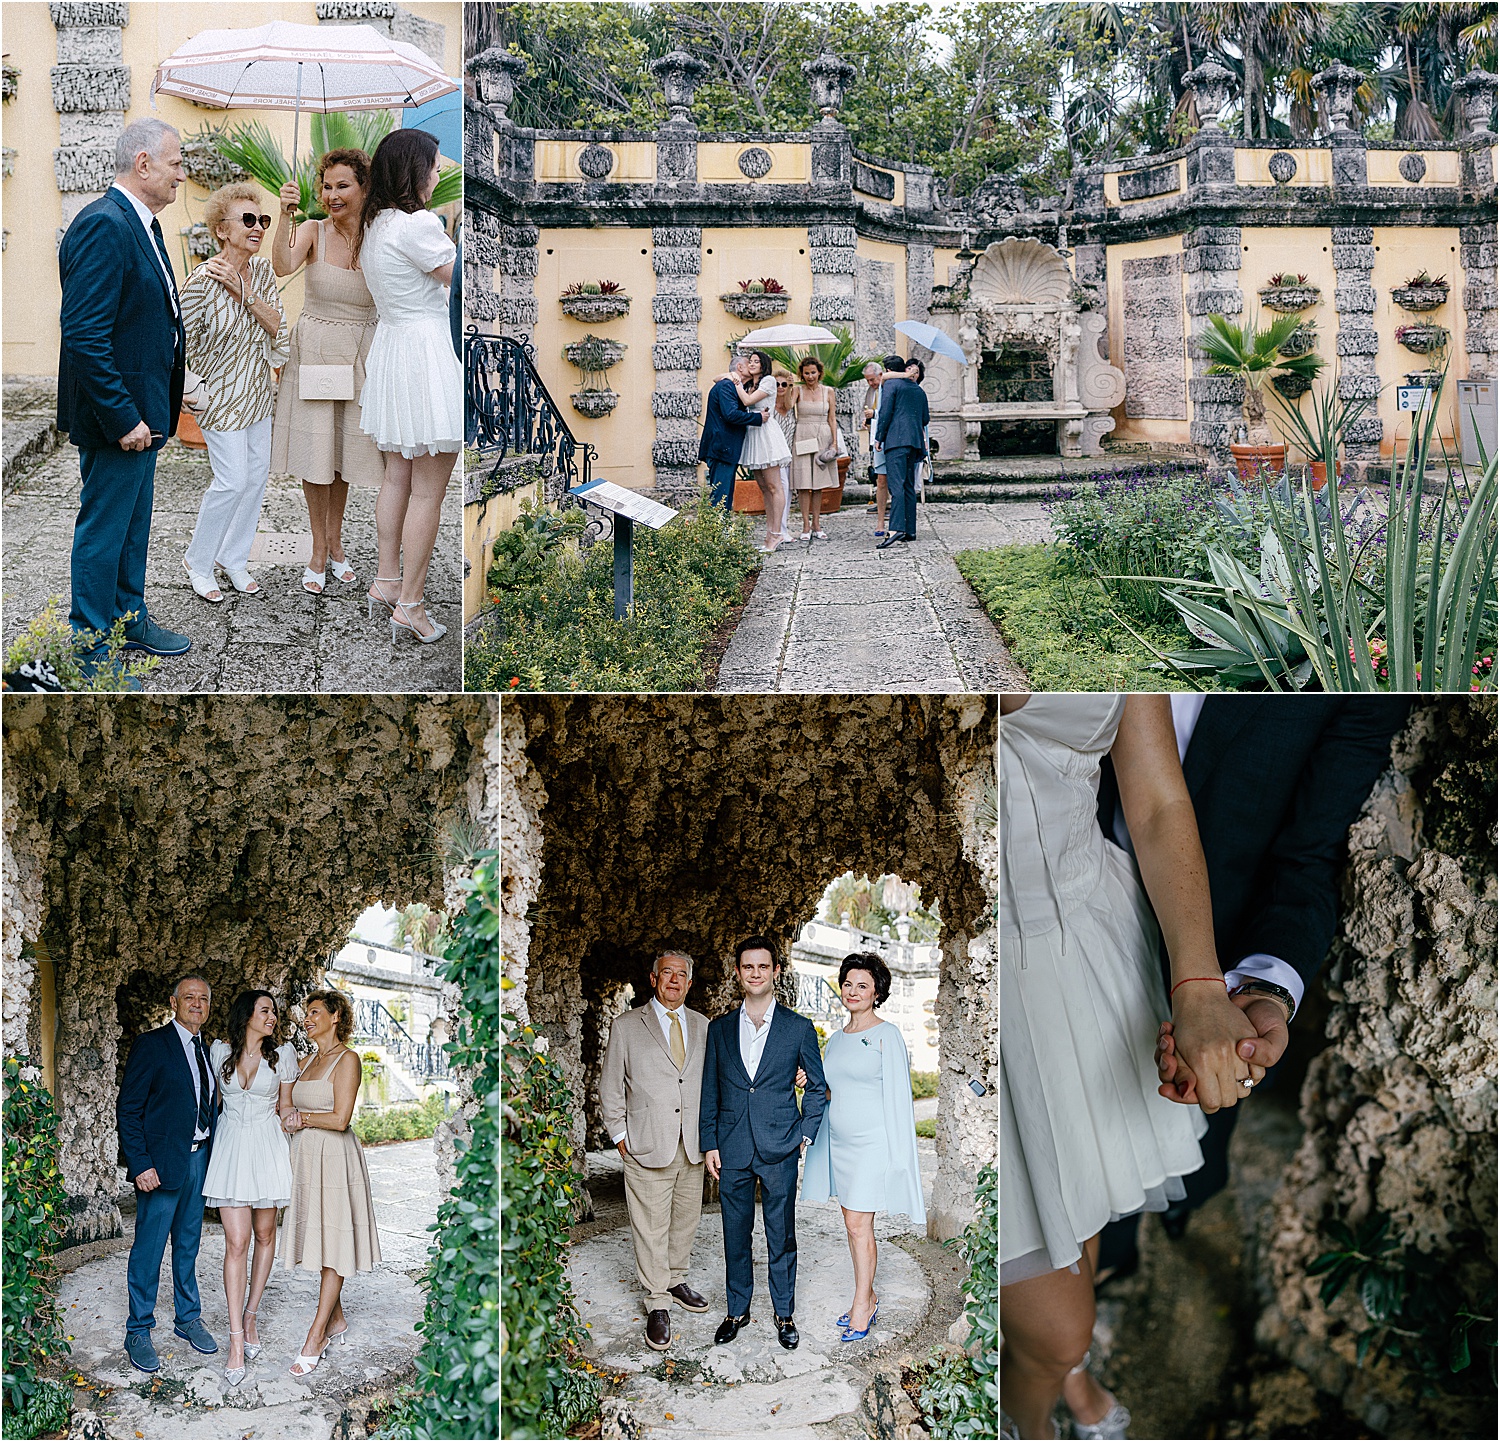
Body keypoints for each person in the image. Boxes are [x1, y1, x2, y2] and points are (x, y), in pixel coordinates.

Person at [1000, 695, 1264, 1440]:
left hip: (1092, 949)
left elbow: (1155, 800)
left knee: (1080, 1223)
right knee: (1058, 1327)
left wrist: (1200, 983)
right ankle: (1027, 1416)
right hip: (998, 982)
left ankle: (1068, 1380)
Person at [1095, 695, 1412, 1286]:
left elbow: (1310, 858)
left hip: (1227, 947)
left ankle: (1174, 1214)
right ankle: (1108, 1260)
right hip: (1069, 919)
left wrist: (1264, 991)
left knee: (1188, 1156)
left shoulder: (1361, 658)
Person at [57, 117, 193, 671]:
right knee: (104, 527)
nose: (182, 175)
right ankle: (90, 643)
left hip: (146, 410)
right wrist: (122, 416)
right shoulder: (104, 225)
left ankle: (127, 618)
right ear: (144, 164)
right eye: (176, 163)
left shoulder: (142, 223)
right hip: (121, 417)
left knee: (134, 525)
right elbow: (84, 334)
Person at [357, 129, 461, 645]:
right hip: (423, 354)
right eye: (434, 165)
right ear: (413, 171)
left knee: (397, 477)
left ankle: (387, 579)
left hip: (394, 350)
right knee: (429, 489)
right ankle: (412, 605)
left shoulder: (375, 225)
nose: (438, 173)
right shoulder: (419, 224)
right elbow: (457, 279)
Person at [700, 936, 827, 1352]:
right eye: (748, 967)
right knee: (734, 1234)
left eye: (763, 967)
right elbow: (709, 1090)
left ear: (776, 971)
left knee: (781, 1233)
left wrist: (805, 1133)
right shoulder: (718, 1030)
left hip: (780, 1147)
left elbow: (818, 1087)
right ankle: (737, 1310)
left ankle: (784, 1311)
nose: (756, 974)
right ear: (738, 973)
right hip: (732, 1147)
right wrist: (708, 1143)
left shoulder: (798, 1028)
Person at [271, 148, 384, 595]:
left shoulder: (380, 234)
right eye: (327, 186)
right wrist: (284, 215)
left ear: (364, 188)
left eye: (343, 185)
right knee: (316, 453)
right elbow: (282, 264)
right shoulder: (312, 229)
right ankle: (318, 549)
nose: (332, 194)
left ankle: (336, 543)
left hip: (363, 353)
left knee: (343, 456)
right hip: (317, 349)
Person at [801, 952, 925, 1343]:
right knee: (852, 1225)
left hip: (872, 1144)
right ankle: (867, 1293)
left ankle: (862, 1304)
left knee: (858, 1225)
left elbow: (898, 1098)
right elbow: (835, 1091)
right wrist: (810, 1084)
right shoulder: (835, 1040)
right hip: (839, 1143)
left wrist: (898, 1157)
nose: (853, 992)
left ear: (876, 993)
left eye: (863, 986)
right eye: (849, 984)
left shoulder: (887, 1035)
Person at [180, 182, 290, 604]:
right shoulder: (202, 280)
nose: (259, 227)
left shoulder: (260, 273)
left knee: (257, 477)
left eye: (262, 220)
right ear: (222, 229)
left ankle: (234, 557)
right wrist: (186, 391)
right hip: (220, 396)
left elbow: (276, 326)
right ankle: (199, 560)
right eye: (248, 220)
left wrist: (244, 294)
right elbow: (179, 343)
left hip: (259, 392)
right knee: (231, 480)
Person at [599, 951, 711, 1351]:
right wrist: (618, 1134)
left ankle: (676, 1278)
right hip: (646, 1143)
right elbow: (610, 1085)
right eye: (668, 974)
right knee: (649, 1225)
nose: (675, 981)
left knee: (685, 1219)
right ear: (653, 978)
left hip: (691, 1144)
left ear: (690, 982)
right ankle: (657, 1301)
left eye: (683, 975)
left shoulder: (703, 1026)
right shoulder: (627, 1026)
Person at [116, 974, 220, 1374]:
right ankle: (138, 1329)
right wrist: (140, 1164)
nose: (197, 1004)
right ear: (173, 1002)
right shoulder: (152, 1045)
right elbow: (129, 1109)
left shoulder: (207, 1051)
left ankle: (187, 1317)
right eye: (189, 998)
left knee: (189, 1246)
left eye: (203, 999)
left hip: (198, 1162)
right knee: (149, 1249)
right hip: (159, 1168)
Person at [279, 990, 380, 1376]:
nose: (307, 1018)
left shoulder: (347, 1060)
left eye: (315, 1012)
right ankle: (336, 1319)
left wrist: (301, 1118)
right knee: (318, 1239)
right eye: (306, 1013)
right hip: (306, 1160)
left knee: (333, 1242)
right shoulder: (305, 1062)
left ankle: (316, 1334)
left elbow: (340, 1118)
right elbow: (283, 1102)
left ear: (336, 1016)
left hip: (336, 1161)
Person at [203, 991, 297, 1385]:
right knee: (236, 1241)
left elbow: (286, 1107)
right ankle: (236, 1339)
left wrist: (304, 1120)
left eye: (273, 1011)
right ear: (247, 1016)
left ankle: (251, 1313)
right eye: (265, 1010)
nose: (272, 1016)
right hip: (230, 1150)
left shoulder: (283, 1056)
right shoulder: (219, 1051)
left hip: (267, 1148)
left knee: (264, 1233)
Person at [714, 349, 790, 552]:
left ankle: (777, 533)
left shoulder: (768, 381)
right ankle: (769, 534)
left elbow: (747, 402)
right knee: (764, 487)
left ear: (764, 365)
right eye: (751, 361)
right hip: (754, 434)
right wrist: (731, 376)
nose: (753, 364)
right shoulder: (749, 384)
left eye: (756, 361)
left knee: (775, 486)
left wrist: (736, 382)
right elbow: (716, 378)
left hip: (765, 433)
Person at [695, 351, 764, 509]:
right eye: (749, 363)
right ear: (739, 367)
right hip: (721, 448)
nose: (752, 366)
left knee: (723, 495)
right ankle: (719, 532)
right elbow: (731, 415)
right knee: (721, 497)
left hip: (724, 449)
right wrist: (758, 418)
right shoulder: (727, 385)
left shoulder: (733, 385)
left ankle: (721, 530)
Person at [874, 353, 929, 549]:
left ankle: (896, 529)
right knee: (907, 487)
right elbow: (925, 419)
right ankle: (909, 529)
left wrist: (879, 436)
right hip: (914, 442)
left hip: (896, 440)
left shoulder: (891, 385)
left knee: (896, 486)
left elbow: (885, 411)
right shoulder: (918, 390)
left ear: (888, 370)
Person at [788, 357, 839, 542]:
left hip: (822, 435)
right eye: (806, 373)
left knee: (818, 484)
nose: (810, 376)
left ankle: (817, 524)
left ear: (819, 373)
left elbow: (832, 418)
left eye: (813, 372)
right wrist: (788, 388)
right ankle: (805, 525)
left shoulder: (828, 391)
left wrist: (834, 442)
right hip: (802, 435)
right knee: (803, 484)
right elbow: (787, 407)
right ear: (802, 373)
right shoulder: (797, 390)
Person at [860, 361, 889, 535]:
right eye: (868, 381)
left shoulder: (890, 388)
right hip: (877, 439)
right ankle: (880, 520)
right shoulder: (872, 392)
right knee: (880, 480)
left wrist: (875, 414)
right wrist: (868, 421)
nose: (871, 383)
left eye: (872, 379)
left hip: (891, 439)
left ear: (881, 374)